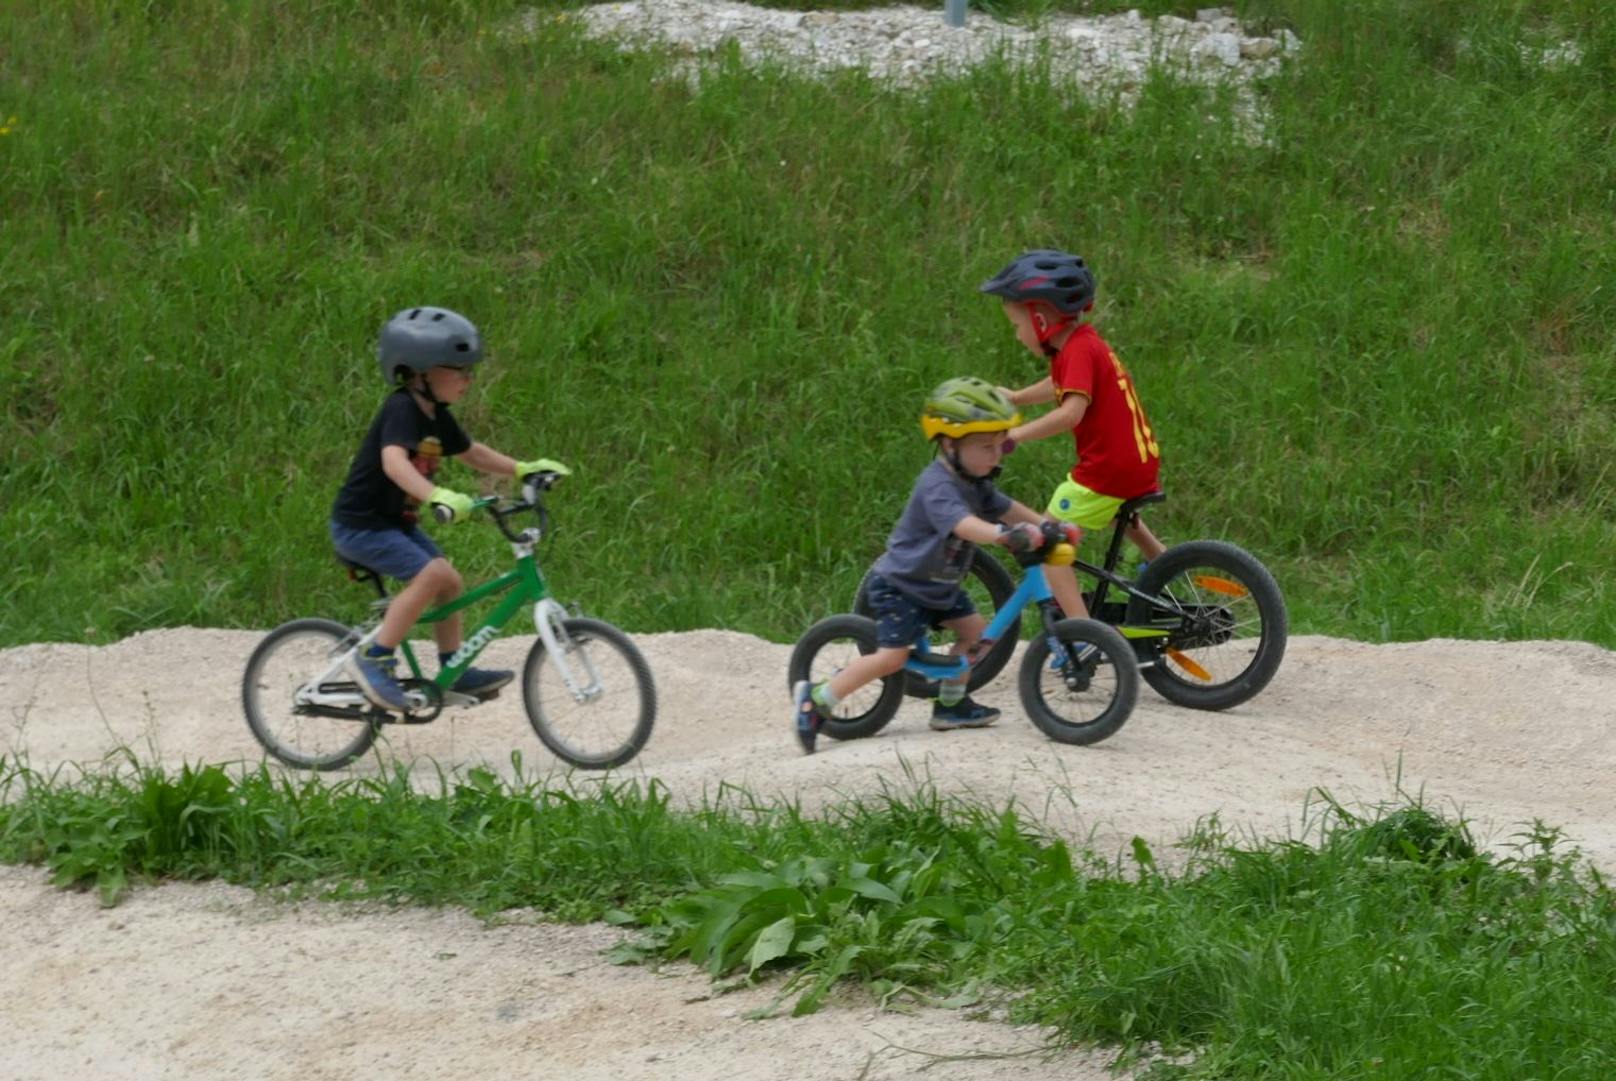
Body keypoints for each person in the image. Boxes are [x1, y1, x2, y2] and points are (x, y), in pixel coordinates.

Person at [792, 377, 1060, 755]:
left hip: (939, 587)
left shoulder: (977, 481)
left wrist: (1048, 527)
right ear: (951, 444)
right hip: (902, 587)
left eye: (1000, 446)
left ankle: (950, 707)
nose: (996, 455)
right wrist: (1004, 535)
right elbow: (963, 525)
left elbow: (1007, 506)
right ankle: (817, 701)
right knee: (892, 658)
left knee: (976, 636)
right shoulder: (937, 486)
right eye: (986, 447)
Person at [329, 306, 567, 712]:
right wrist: (434, 494)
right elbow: (394, 462)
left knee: (450, 582)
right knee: (434, 574)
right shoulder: (402, 408)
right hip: (361, 526)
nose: (467, 379)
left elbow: (472, 452)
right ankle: (373, 660)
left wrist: (522, 468)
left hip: (393, 523)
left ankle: (451, 667)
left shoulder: (436, 415)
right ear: (421, 371)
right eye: (458, 369)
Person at [981, 250, 1166, 620]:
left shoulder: (1078, 349)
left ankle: (1081, 634)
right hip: (1135, 460)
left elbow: (1070, 413)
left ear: (1041, 318)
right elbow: (1061, 384)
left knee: (1049, 541)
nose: (1017, 336)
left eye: (1017, 326)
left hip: (1108, 468)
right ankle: (1164, 567)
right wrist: (1018, 397)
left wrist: (1013, 437)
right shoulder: (1081, 344)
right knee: (1119, 516)